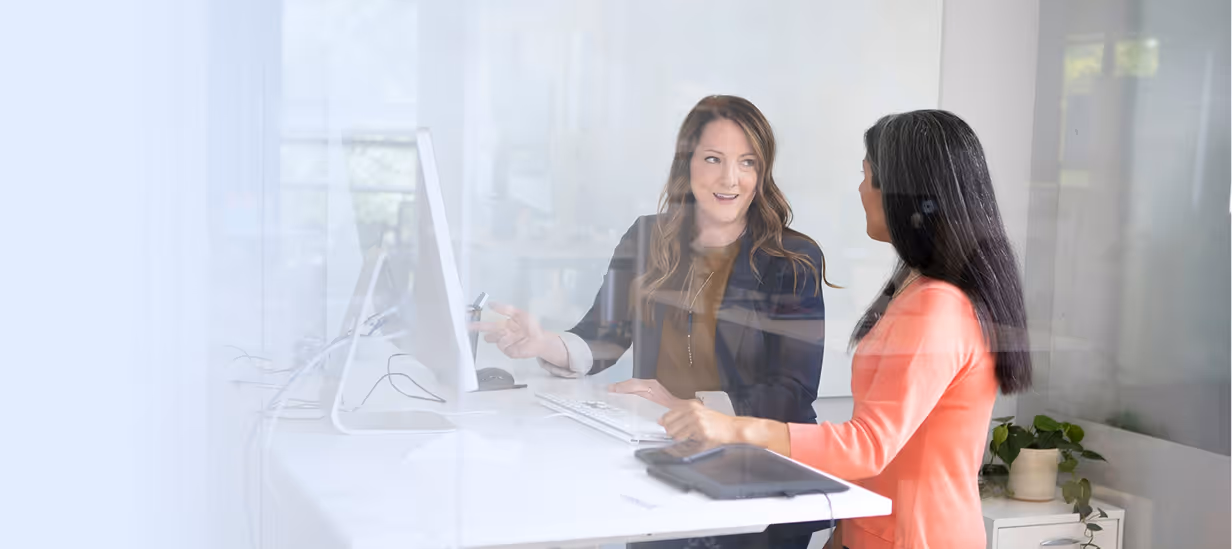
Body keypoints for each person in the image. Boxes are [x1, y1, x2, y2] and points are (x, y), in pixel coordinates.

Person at [657, 110, 1033, 549]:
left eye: (868, 176)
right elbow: (886, 449)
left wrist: (731, 427)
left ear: (903, 193)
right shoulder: (917, 286)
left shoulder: (938, 306)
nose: (859, 190)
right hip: (876, 530)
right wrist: (845, 532)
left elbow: (868, 444)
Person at [474, 95, 834, 548]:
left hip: (755, 476)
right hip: (666, 464)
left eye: (747, 162)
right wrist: (542, 342)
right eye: (713, 159)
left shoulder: (792, 259)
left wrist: (688, 405)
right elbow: (603, 336)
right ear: (687, 165)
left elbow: (792, 393)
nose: (730, 178)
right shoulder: (646, 236)